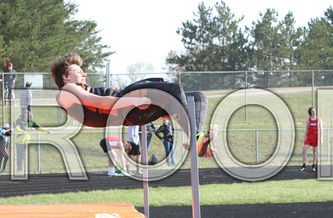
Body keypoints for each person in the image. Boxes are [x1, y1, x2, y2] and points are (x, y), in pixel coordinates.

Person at [50, 52, 217, 157]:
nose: (84, 74)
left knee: (198, 97)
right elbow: (99, 102)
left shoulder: (79, 89)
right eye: (78, 71)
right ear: (65, 77)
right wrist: (133, 100)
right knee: (174, 89)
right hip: (129, 105)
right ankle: (196, 139)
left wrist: (111, 91)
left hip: (131, 110)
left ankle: (197, 142)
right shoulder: (66, 91)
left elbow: (97, 100)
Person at [299, 107, 322, 172]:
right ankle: (304, 165)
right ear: (310, 113)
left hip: (315, 137)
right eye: (312, 111)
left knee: (314, 151)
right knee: (304, 150)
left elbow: (321, 130)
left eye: (314, 111)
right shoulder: (308, 120)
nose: (314, 112)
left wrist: (321, 139)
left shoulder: (319, 119)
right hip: (309, 137)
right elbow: (306, 129)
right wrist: (305, 137)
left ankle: (313, 166)